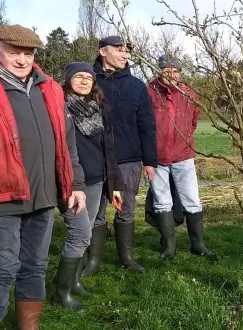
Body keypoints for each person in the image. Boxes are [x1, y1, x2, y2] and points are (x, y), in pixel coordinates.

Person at [0, 25, 86, 327]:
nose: (22, 59)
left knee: (35, 265)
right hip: (4, 198)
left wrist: (75, 184)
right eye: (13, 52)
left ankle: (28, 326)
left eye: (28, 53)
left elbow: (66, 142)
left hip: (44, 195)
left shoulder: (49, 88)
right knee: (3, 268)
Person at [52, 62, 125, 311]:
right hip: (71, 183)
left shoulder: (99, 109)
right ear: (68, 80)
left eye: (88, 77)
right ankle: (61, 293)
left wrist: (114, 183)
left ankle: (73, 282)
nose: (84, 81)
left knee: (88, 232)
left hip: (96, 180)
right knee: (80, 233)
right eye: (78, 77)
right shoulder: (59, 108)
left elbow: (108, 150)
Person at [93, 36, 157, 273]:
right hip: (96, 160)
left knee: (124, 208)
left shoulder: (136, 86)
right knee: (96, 210)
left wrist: (150, 162)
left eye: (126, 51)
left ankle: (126, 258)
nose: (125, 54)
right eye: (119, 50)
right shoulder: (88, 82)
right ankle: (93, 261)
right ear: (103, 52)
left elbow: (147, 126)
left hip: (127, 161)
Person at [146, 55, 215, 260]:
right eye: (167, 71)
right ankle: (169, 247)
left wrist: (182, 140)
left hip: (183, 155)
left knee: (192, 200)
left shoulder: (189, 94)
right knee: (162, 201)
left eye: (176, 71)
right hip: (157, 157)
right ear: (159, 71)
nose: (172, 75)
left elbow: (193, 123)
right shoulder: (149, 93)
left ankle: (198, 244)